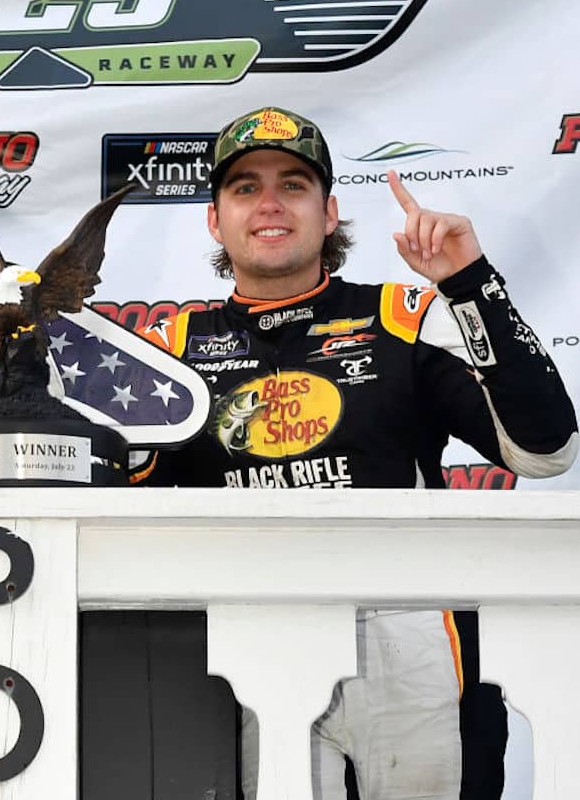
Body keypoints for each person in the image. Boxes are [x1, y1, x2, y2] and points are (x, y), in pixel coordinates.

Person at [132, 107, 577, 799]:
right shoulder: (169, 351)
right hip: (250, 641)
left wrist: (469, 284)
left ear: (330, 211)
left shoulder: (404, 317)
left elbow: (547, 451)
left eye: (295, 184)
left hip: (410, 633)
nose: (270, 203)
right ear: (215, 221)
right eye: (245, 188)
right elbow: (130, 513)